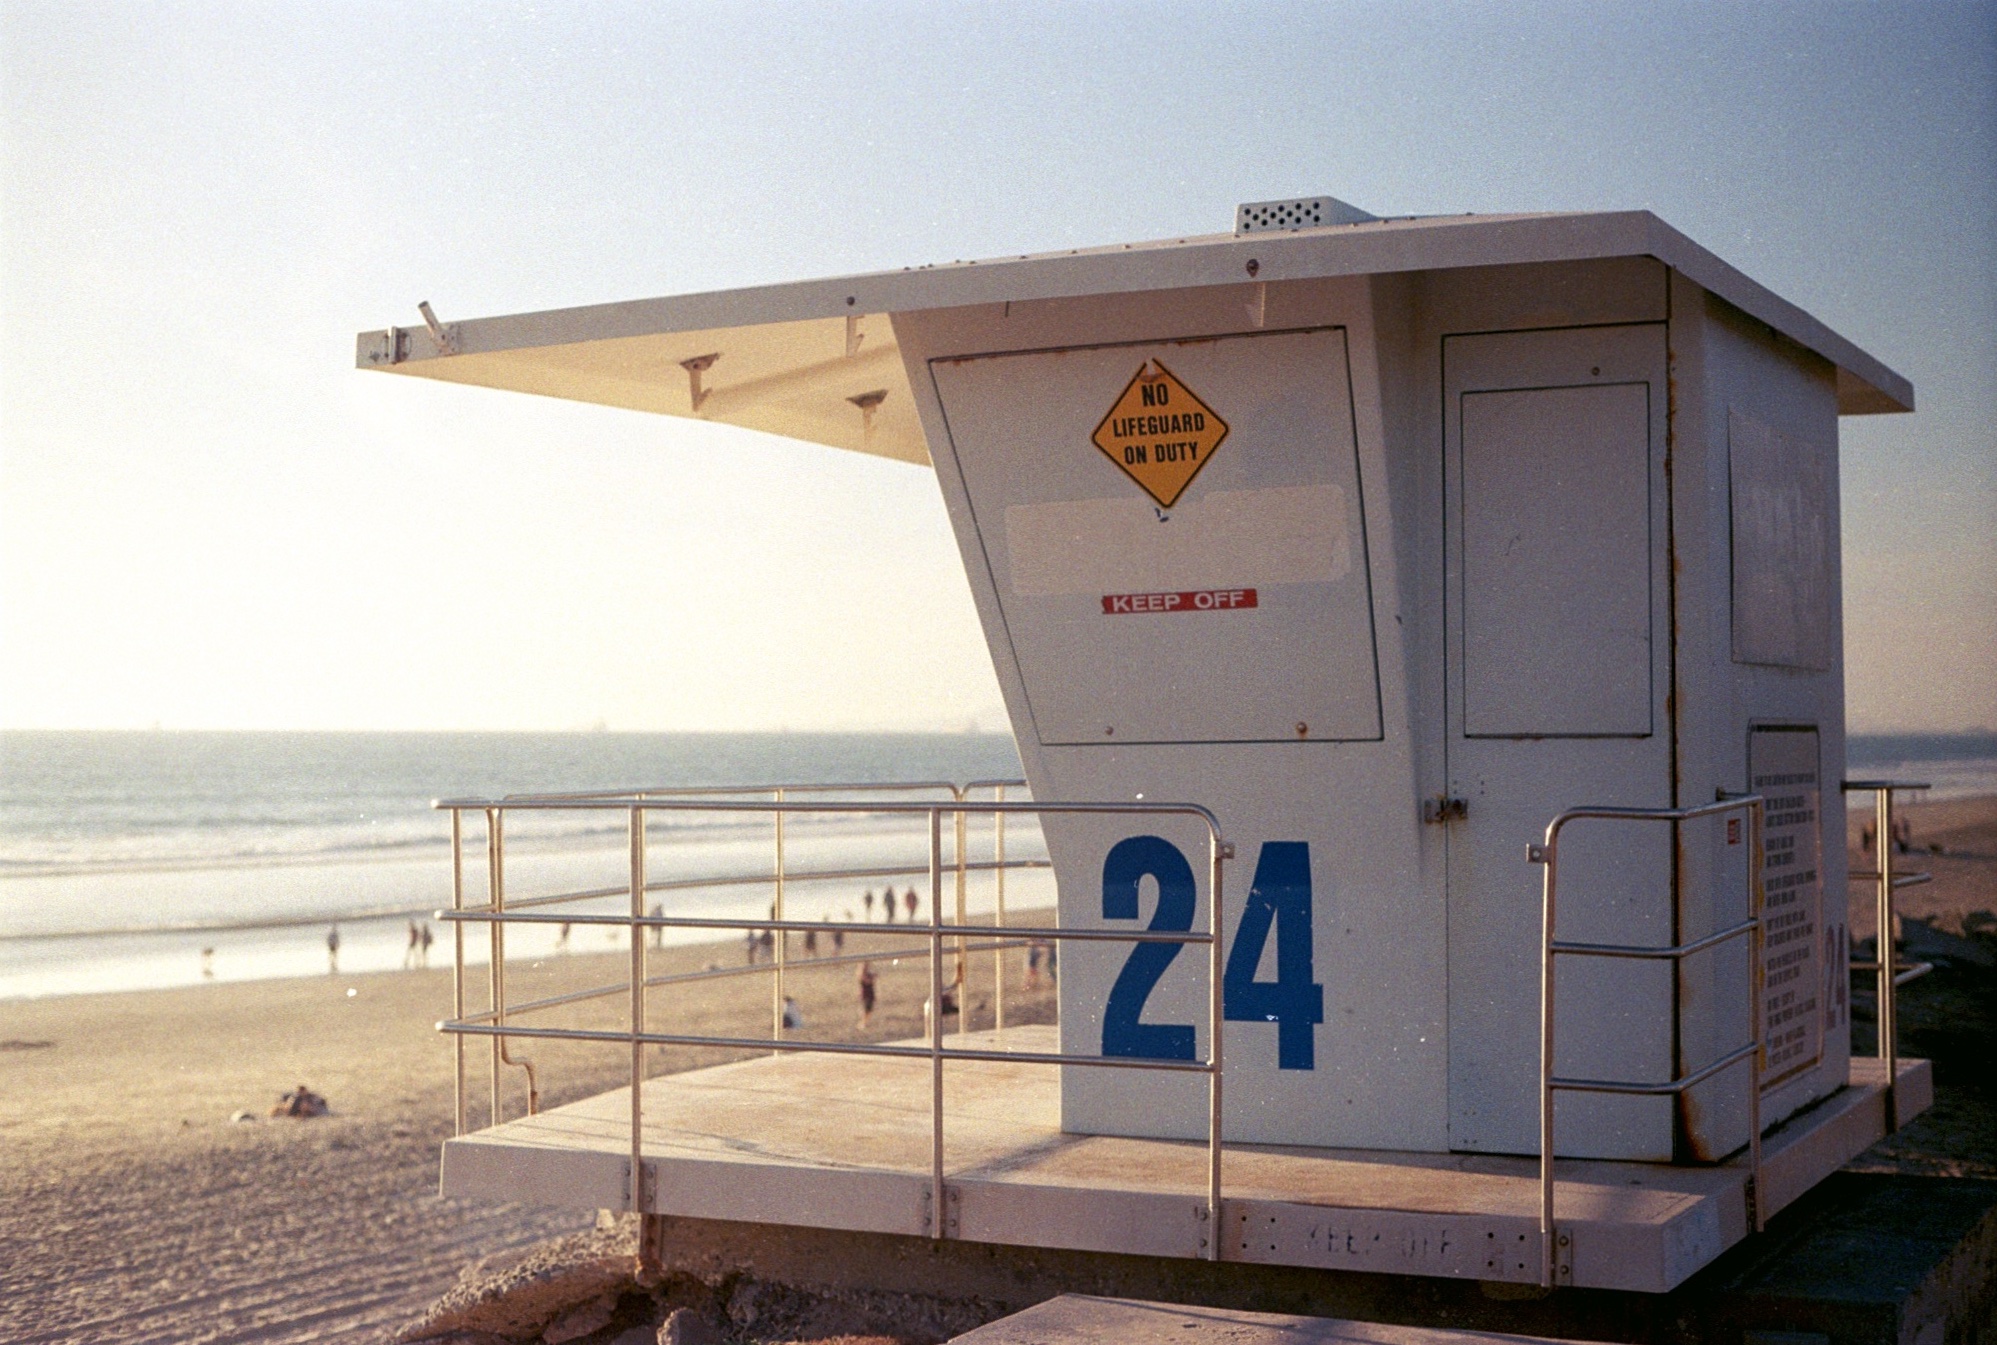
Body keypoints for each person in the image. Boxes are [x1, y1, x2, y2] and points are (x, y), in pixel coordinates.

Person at [857, 962, 877, 1028]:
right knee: (866, 1009)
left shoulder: (867, 973)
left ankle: (864, 1023)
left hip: (870, 992)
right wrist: (872, 977)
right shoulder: (861, 974)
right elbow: (867, 981)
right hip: (865, 994)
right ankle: (862, 1023)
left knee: (869, 1009)